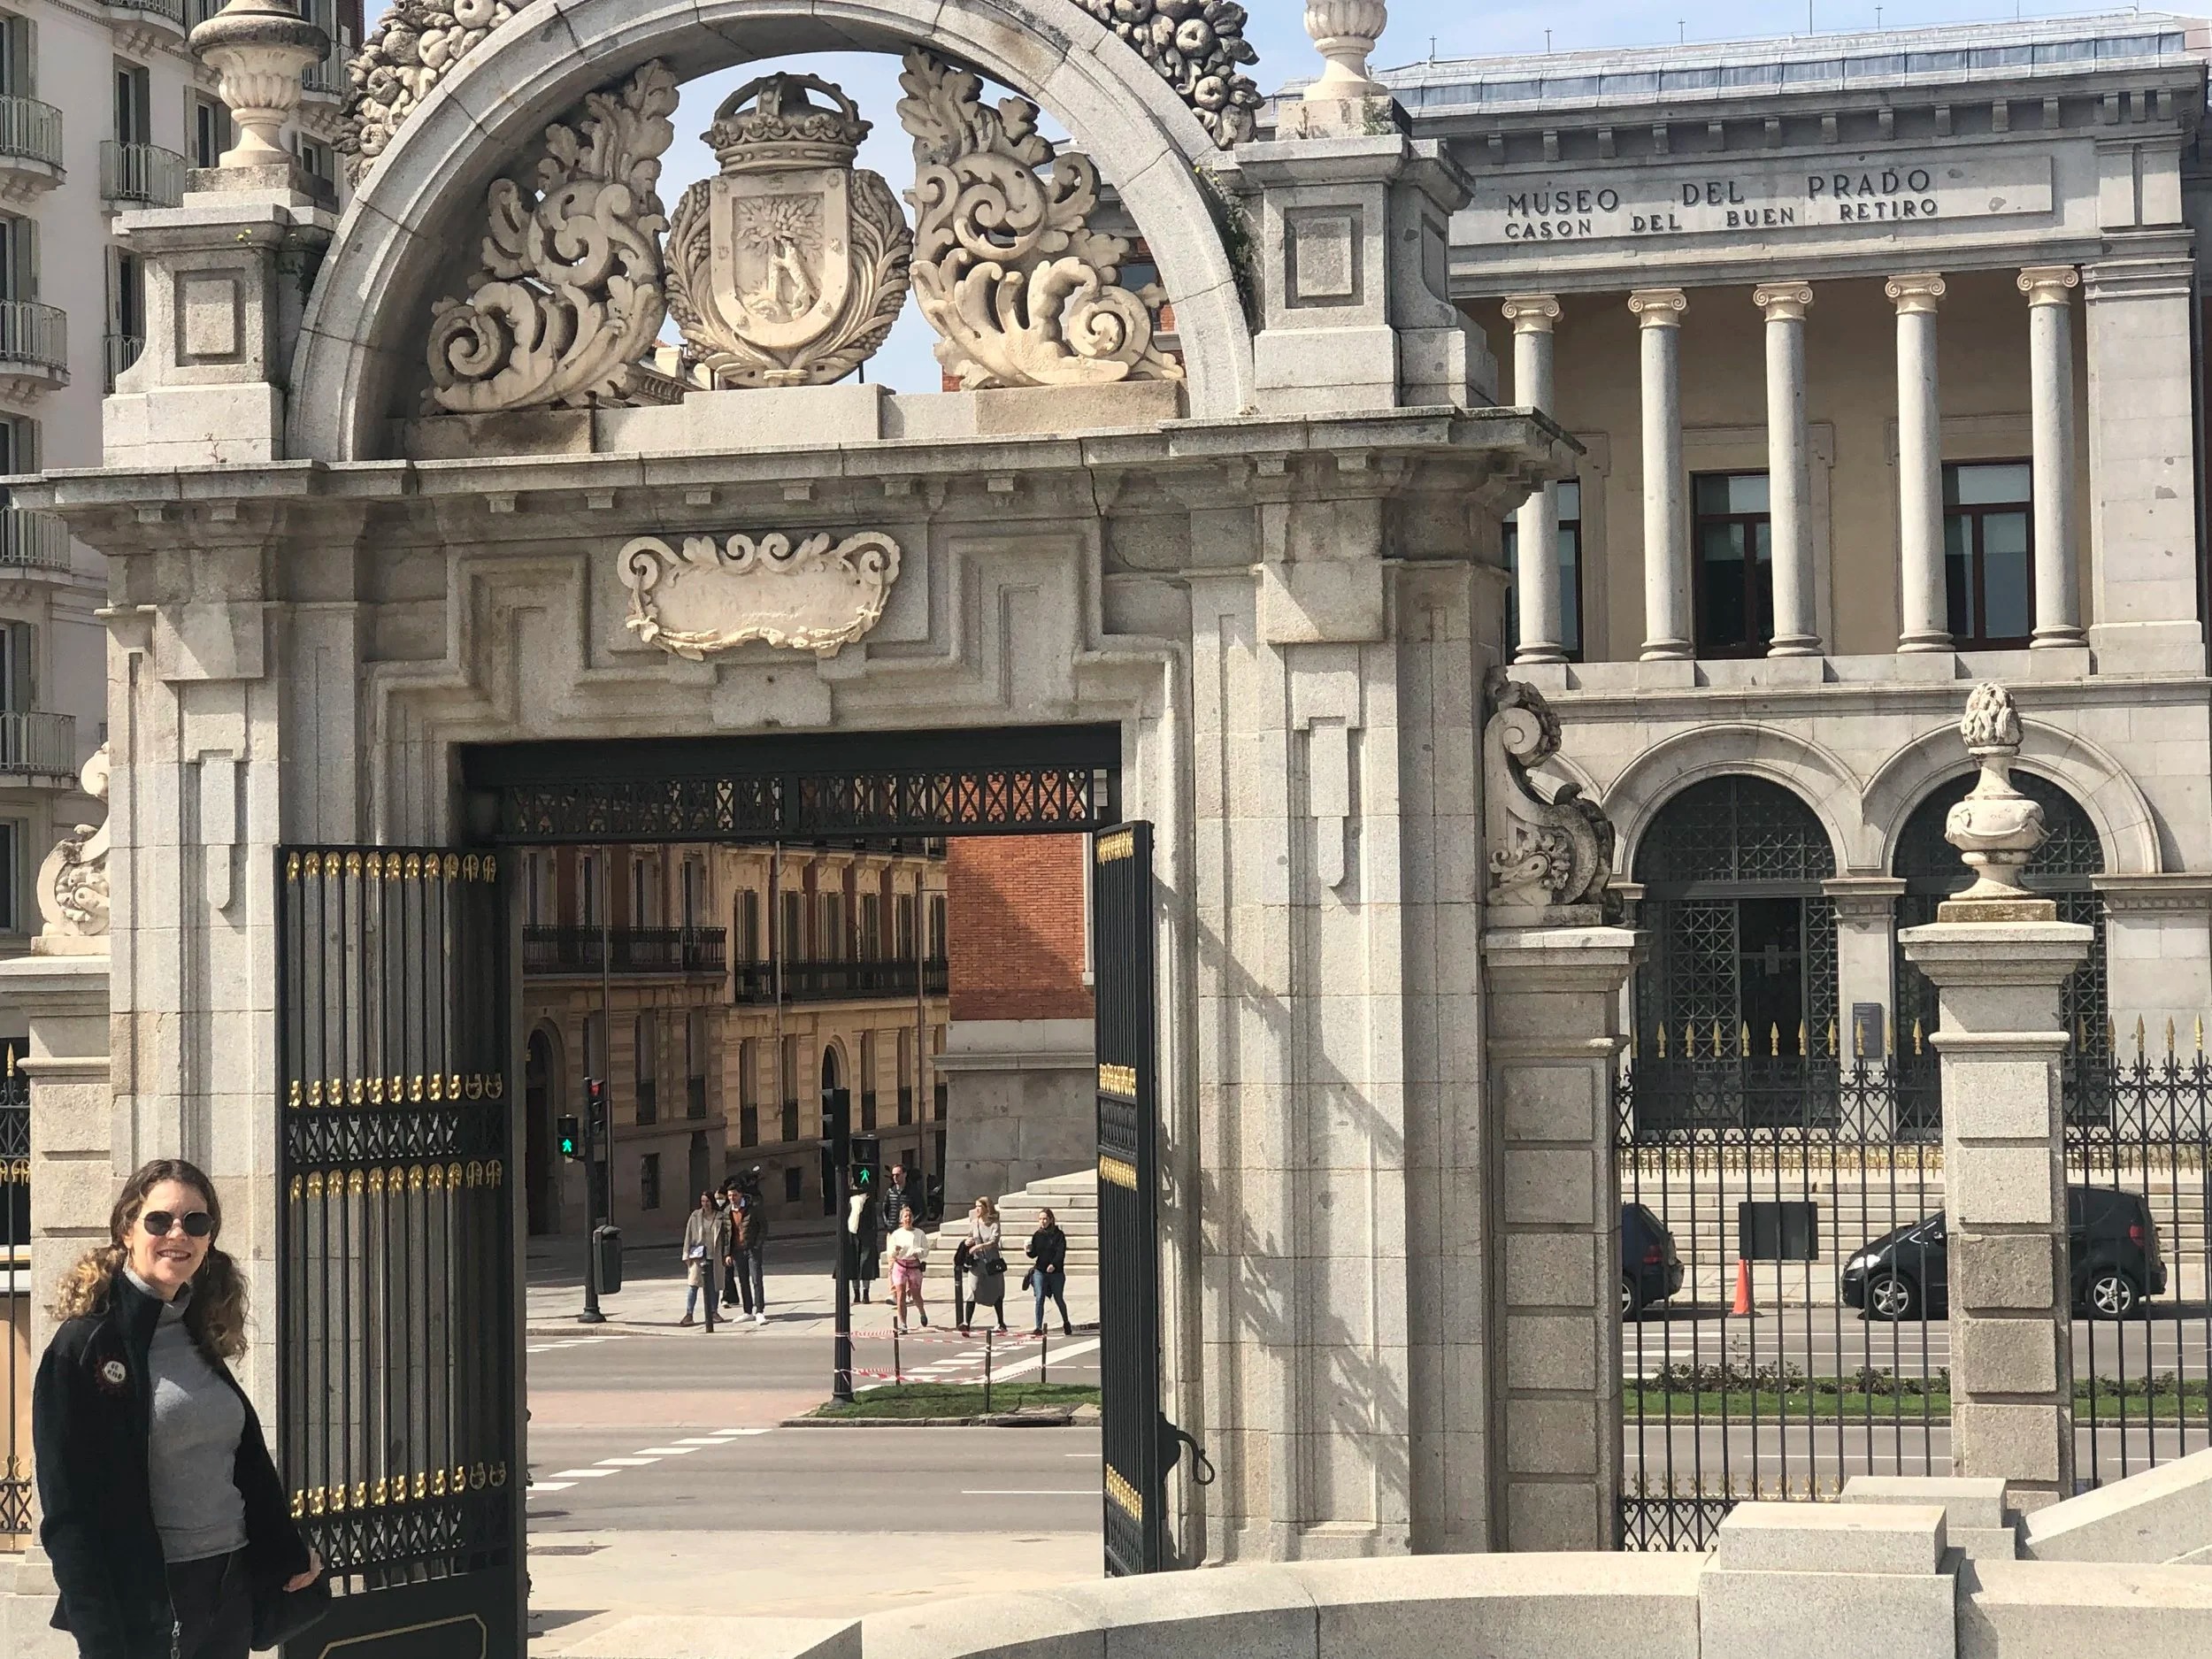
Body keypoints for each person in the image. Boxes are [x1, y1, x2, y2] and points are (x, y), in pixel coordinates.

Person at [35, 1157, 325, 1659]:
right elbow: (69, 1508)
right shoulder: (84, 1344)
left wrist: (287, 1552)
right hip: (150, 1596)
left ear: (209, 1238)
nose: (178, 1234)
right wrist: (99, 1636)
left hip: (228, 1584)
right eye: (159, 1220)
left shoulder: (198, 1330)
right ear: (127, 1229)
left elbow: (244, 1463)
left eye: (196, 1222)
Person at [679, 1192, 728, 1330]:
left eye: (707, 1201)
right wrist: (686, 1254)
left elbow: (725, 1237)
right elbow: (688, 1235)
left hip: (715, 1255)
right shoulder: (695, 1216)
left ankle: (713, 1312)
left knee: (714, 1285)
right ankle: (689, 1314)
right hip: (698, 1255)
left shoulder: (720, 1217)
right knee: (693, 1285)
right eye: (702, 1201)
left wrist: (726, 1254)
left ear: (712, 1202)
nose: (705, 1204)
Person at [959, 1196, 1005, 1335]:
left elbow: (993, 1241)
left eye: (979, 1206)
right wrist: (968, 1242)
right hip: (977, 1263)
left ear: (986, 1208)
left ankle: (1001, 1322)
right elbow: (970, 1236)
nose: (977, 1209)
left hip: (992, 1263)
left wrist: (979, 1247)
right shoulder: (974, 1223)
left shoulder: (994, 1224)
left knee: (996, 1291)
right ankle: (967, 1323)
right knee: (972, 1290)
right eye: (976, 1206)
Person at [729, 1167, 769, 1325]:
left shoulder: (753, 1207)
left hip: (752, 1249)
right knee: (743, 1281)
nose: (732, 1198)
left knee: (756, 1279)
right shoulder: (728, 1211)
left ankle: (759, 1311)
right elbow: (728, 1233)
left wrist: (757, 1245)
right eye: (730, 1195)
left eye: (735, 1195)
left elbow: (763, 1227)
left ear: (740, 1195)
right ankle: (747, 1311)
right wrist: (728, 1253)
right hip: (738, 1250)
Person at [1026, 1207, 1072, 1336]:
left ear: (1051, 1220)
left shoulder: (1058, 1235)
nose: (1042, 1222)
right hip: (1040, 1270)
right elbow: (1034, 1254)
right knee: (1039, 1297)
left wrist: (1053, 1264)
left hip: (1056, 1272)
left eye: (1045, 1219)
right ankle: (1038, 1327)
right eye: (1040, 1219)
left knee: (1058, 1298)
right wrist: (1028, 1250)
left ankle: (1066, 1322)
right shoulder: (1038, 1235)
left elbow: (1060, 1252)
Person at [887, 1204, 931, 1333]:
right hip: (900, 1266)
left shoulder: (919, 1233)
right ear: (901, 1220)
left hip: (914, 1267)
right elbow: (890, 1253)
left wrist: (919, 1252)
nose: (908, 1218)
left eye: (910, 1216)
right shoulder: (896, 1234)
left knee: (916, 1294)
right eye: (905, 1216)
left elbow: (926, 1250)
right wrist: (895, 1251)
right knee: (900, 1295)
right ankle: (903, 1324)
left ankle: (922, 1312)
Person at [845, 1189, 879, 1304]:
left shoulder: (868, 1201)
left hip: (866, 1236)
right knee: (853, 1264)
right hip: (852, 1235)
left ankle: (866, 1293)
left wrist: (873, 1237)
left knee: (865, 1265)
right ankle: (856, 1293)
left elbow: (873, 1221)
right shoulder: (850, 1201)